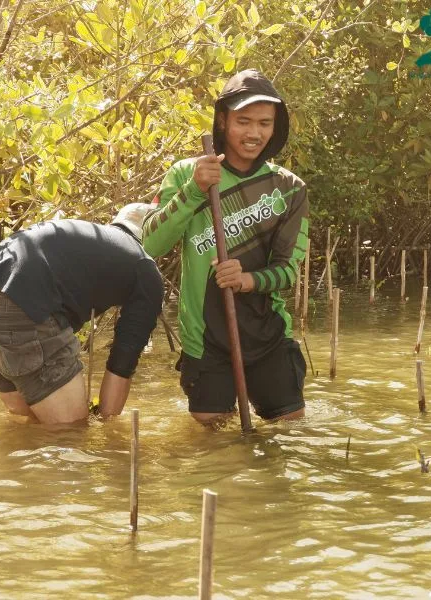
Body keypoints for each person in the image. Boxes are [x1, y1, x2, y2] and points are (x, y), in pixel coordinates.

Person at [142, 68, 309, 426]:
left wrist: (247, 279)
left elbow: (288, 271)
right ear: (222, 121)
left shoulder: (290, 188)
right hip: (206, 340)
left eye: (264, 123)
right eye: (243, 121)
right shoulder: (186, 174)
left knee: (289, 437)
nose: (254, 133)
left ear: (276, 126)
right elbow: (150, 242)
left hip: (269, 336)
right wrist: (194, 192)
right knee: (212, 447)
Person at [0, 204, 163, 425]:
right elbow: (123, 362)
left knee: (29, 428)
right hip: (19, 313)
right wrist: (104, 429)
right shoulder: (144, 267)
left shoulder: (96, 242)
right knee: (72, 433)